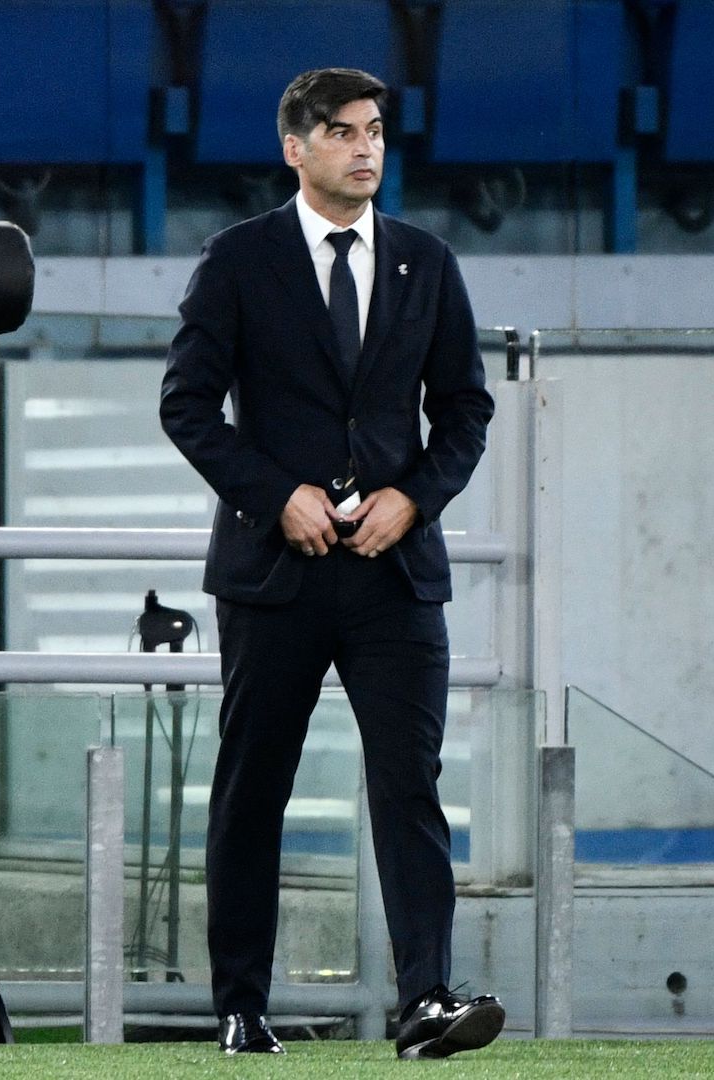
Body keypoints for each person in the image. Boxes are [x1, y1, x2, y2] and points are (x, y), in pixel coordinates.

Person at [158, 67, 500, 1059]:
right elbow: (188, 406)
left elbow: (466, 411)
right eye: (345, 132)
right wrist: (277, 495)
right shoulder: (236, 261)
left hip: (394, 573)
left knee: (410, 783)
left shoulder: (427, 263)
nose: (367, 148)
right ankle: (241, 1008)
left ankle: (426, 1002)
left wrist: (415, 497)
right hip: (275, 573)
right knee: (252, 785)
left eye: (377, 131)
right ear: (295, 147)